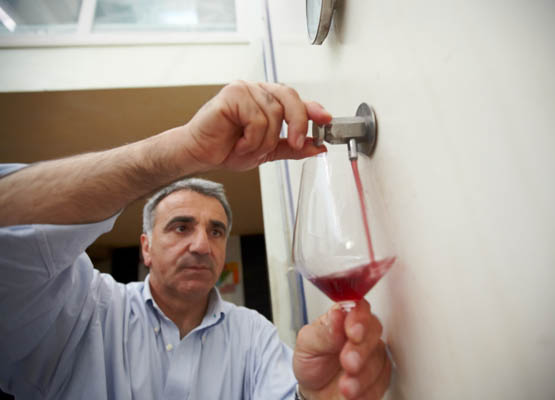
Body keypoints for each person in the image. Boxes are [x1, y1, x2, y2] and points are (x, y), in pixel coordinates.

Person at [0, 81, 392, 399]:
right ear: (146, 247)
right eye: (181, 227)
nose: (202, 246)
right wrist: (180, 151)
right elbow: (9, 234)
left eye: (216, 231)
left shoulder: (252, 334)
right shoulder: (82, 313)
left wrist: (312, 398)